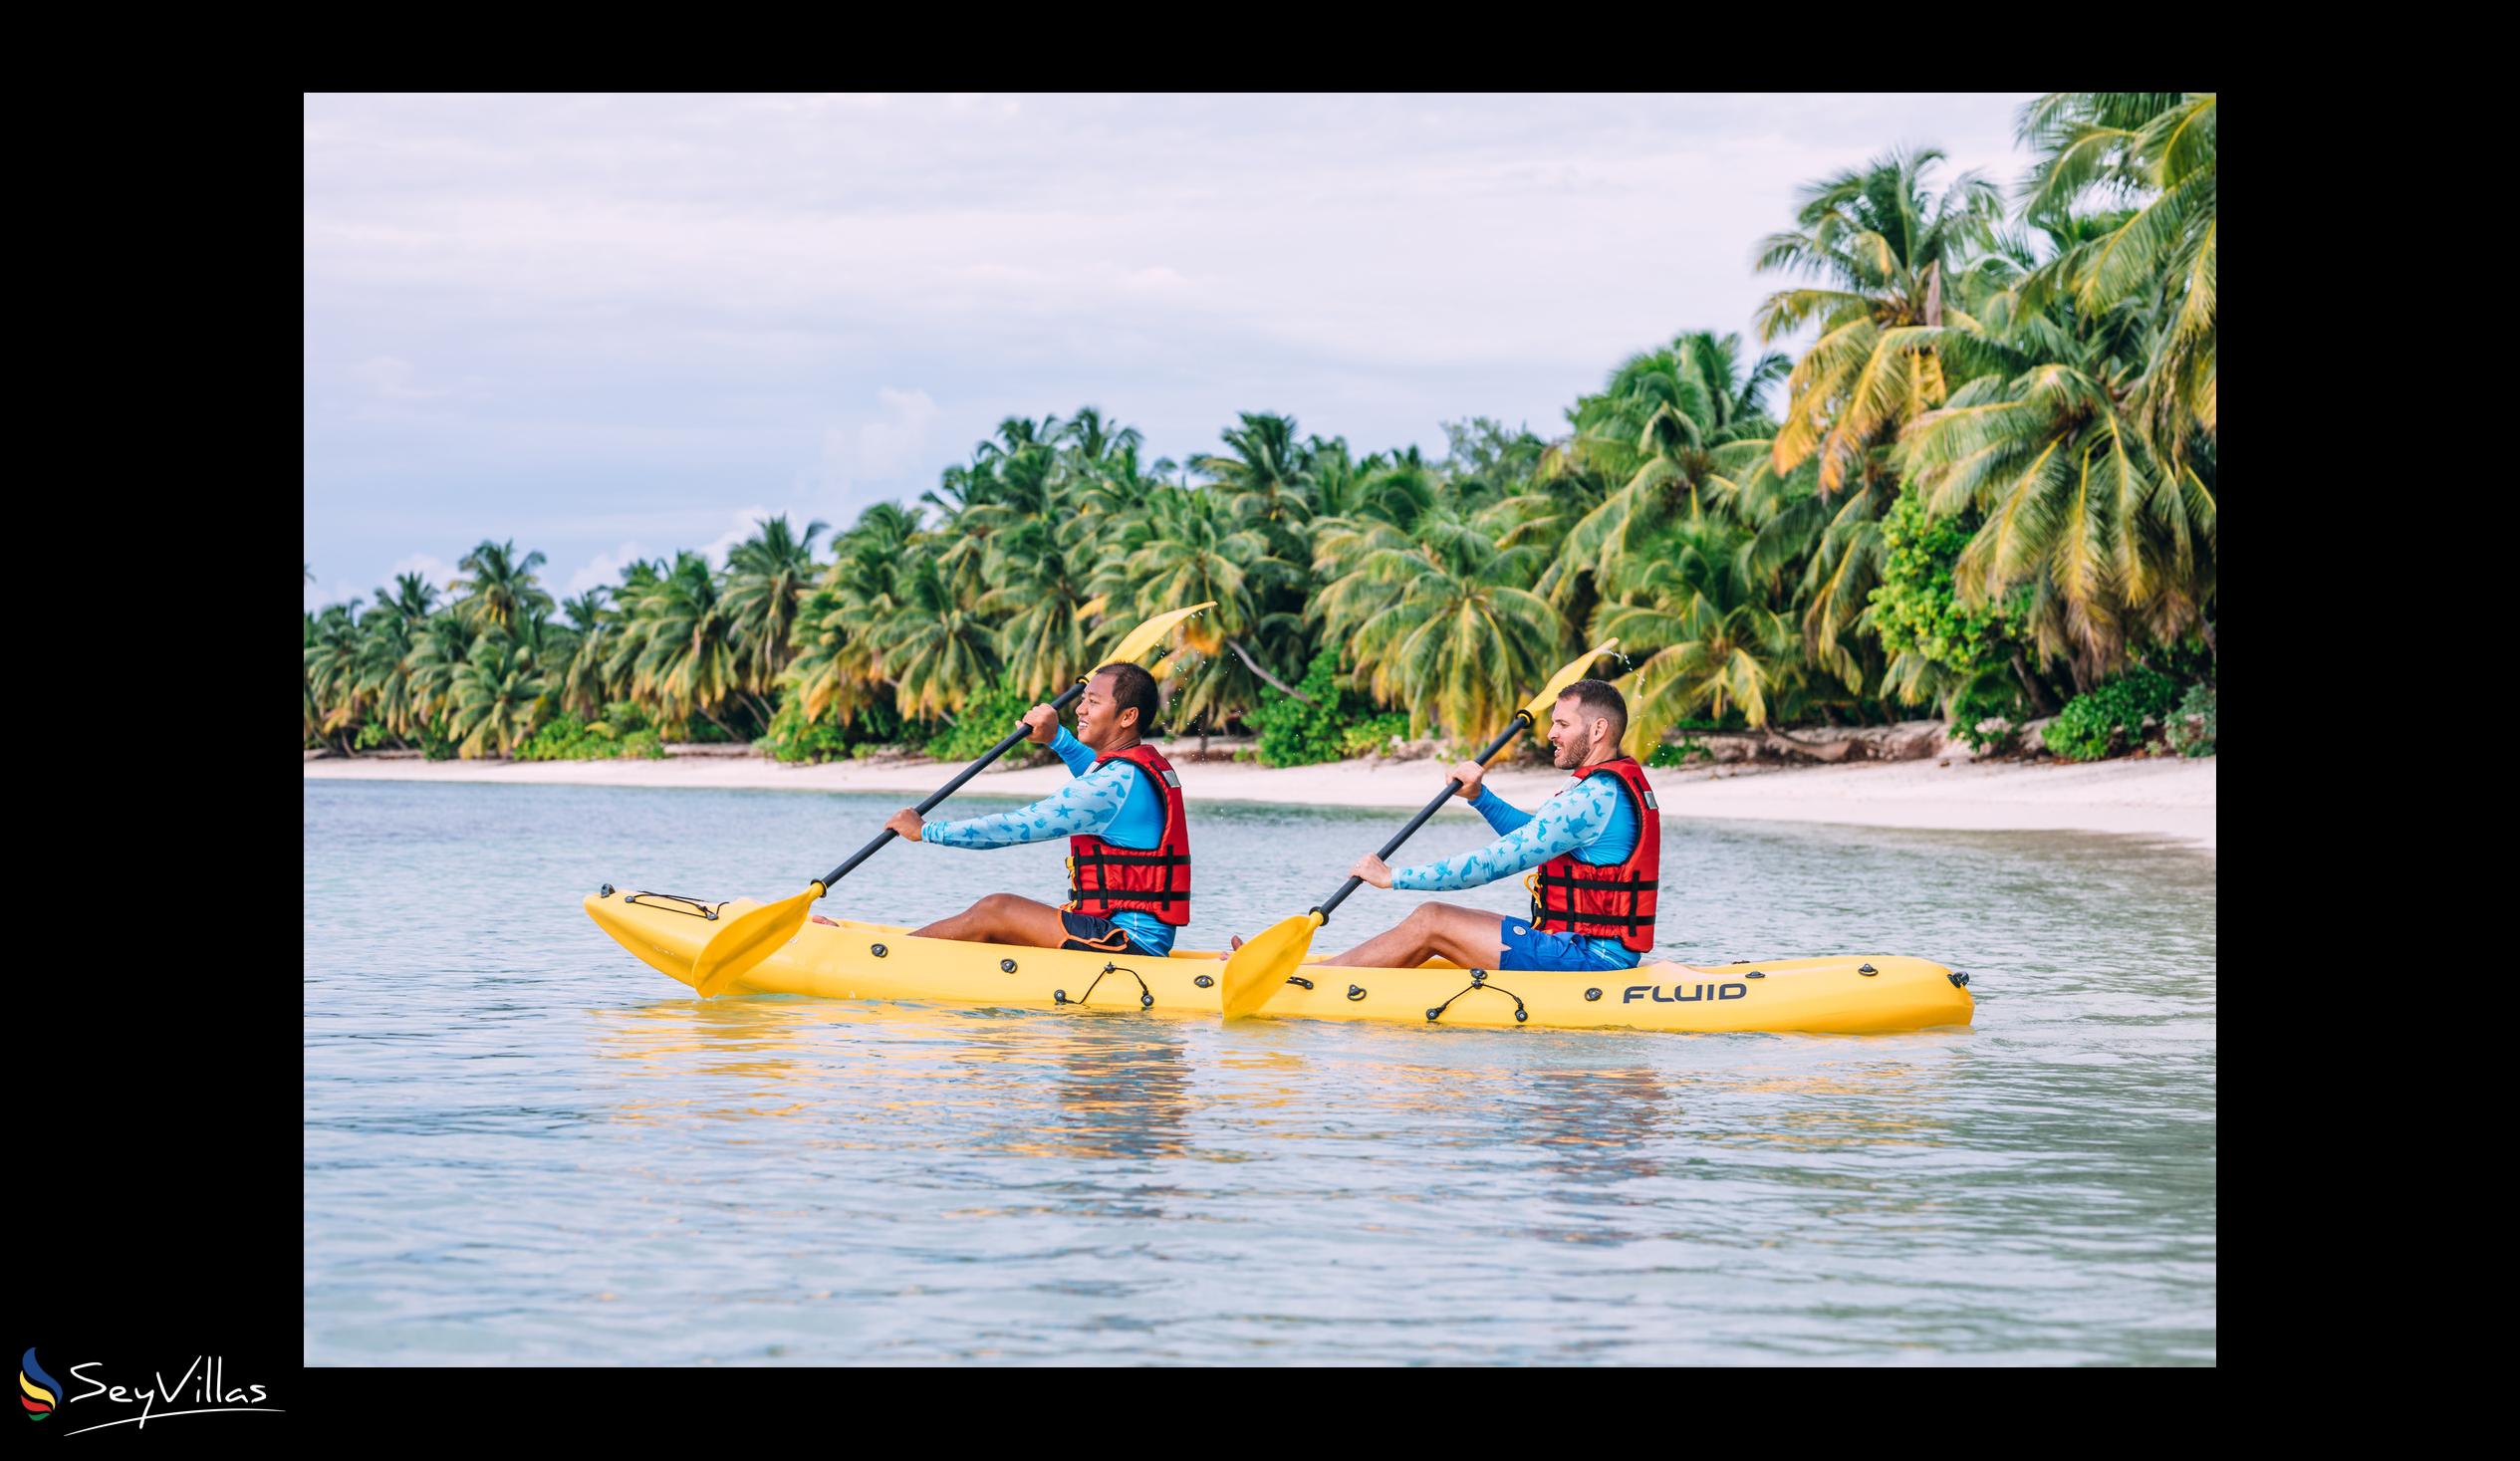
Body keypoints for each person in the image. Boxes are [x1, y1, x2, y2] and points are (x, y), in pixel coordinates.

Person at [856, 662, 1191, 955]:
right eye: (1082, 700)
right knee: (1000, 923)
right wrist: (1056, 737)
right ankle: (901, 949)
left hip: (1127, 943)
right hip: (1122, 934)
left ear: (1128, 716)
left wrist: (926, 831)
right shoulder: (1127, 773)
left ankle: (886, 956)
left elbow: (1016, 826)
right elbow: (1095, 773)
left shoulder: (1111, 785)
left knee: (996, 909)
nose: (1079, 710)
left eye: (1093, 702)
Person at [1331, 679, 1659, 972]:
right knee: (1434, 919)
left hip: (1591, 958)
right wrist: (1479, 797)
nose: (1551, 734)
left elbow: (1492, 864)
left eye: (1562, 723)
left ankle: (1319, 981)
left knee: (1433, 920)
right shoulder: (1607, 789)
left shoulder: (1593, 796)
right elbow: (1534, 834)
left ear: (1598, 730)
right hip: (1584, 946)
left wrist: (1393, 878)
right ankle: (1344, 972)